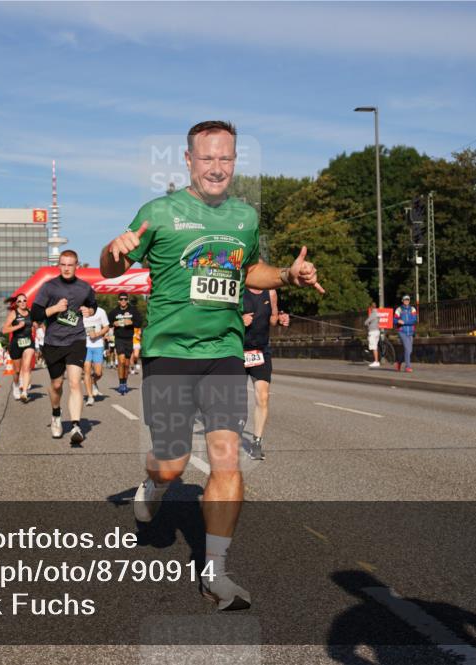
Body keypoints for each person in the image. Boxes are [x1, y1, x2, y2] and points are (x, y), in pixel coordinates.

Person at [100, 120, 323, 611]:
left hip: (224, 350)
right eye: (207, 158)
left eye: (226, 158)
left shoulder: (244, 216)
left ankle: (215, 574)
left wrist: (285, 273)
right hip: (170, 354)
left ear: (235, 161)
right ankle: (153, 485)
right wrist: (112, 253)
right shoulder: (160, 212)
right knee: (173, 463)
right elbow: (115, 264)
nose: (217, 167)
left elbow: (249, 271)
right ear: (188, 161)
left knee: (227, 458)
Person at [31, 250, 97, 445]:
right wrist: (54, 309)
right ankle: (56, 414)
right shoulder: (49, 287)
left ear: (77, 265)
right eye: (63, 264)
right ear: (58, 266)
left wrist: (89, 310)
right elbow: (35, 313)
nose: (67, 268)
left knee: (75, 382)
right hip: (53, 342)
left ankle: (76, 425)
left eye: (70, 264)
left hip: (76, 339)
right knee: (57, 385)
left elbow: (93, 304)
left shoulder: (84, 288)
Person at [242, 287, 289, 461]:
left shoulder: (271, 292)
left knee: (262, 397)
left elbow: (272, 319)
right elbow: (222, 317)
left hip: (260, 351)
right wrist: (239, 320)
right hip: (237, 350)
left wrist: (281, 319)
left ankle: (256, 442)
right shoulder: (239, 287)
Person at [2, 294, 35, 402]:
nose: (22, 303)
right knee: (17, 370)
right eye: (19, 301)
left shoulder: (30, 313)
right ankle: (16, 386)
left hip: (28, 342)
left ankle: (24, 392)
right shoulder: (13, 313)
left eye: (24, 300)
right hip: (16, 343)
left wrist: (36, 327)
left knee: (26, 367)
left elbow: (35, 323)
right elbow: (4, 330)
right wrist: (18, 326)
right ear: (16, 303)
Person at [111, 294, 143, 393]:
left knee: (127, 364)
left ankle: (125, 382)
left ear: (127, 300)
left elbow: (140, 322)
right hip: (119, 338)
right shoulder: (114, 311)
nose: (123, 301)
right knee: (121, 361)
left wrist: (132, 322)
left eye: (125, 299)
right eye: (121, 299)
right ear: (118, 301)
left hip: (129, 339)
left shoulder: (133, 310)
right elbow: (107, 322)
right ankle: (121, 384)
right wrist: (113, 323)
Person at [81, 303, 110, 406]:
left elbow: (106, 327)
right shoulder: (81, 312)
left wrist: (97, 334)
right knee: (87, 370)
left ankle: (93, 381)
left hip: (98, 345)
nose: (88, 311)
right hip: (85, 346)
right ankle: (90, 397)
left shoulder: (101, 312)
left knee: (98, 373)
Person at [393, 294, 418, 372]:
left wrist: (404, 322)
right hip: (402, 332)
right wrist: (398, 321)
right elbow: (394, 320)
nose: (406, 301)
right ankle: (408, 367)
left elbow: (414, 320)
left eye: (408, 300)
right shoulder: (399, 309)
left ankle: (399, 362)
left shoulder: (413, 309)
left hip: (410, 332)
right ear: (402, 301)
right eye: (405, 300)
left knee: (409, 350)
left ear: (409, 301)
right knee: (407, 349)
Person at [364, 302, 381, 368]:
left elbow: (366, 322)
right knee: (375, 346)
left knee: (373, 347)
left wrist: (368, 325)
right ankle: (376, 360)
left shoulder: (373, 314)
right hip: (377, 331)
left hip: (373, 331)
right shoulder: (378, 313)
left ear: (371, 307)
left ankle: (376, 361)